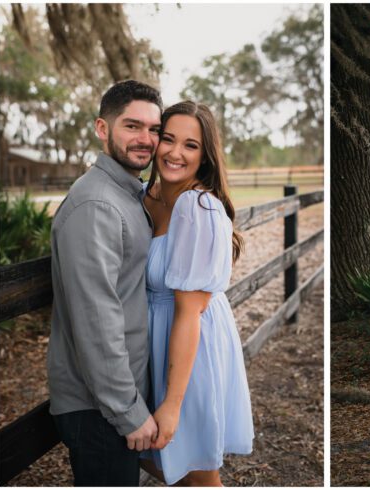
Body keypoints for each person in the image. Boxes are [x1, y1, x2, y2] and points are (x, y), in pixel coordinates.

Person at [48, 80, 163, 486]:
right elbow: (97, 320)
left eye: (154, 129)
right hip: (100, 411)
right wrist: (128, 412)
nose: (145, 140)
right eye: (132, 126)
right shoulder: (97, 205)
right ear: (102, 128)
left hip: (114, 403)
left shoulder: (127, 194)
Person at [138, 101, 254, 486]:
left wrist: (172, 404)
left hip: (191, 345)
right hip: (157, 339)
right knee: (162, 463)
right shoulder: (146, 195)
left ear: (204, 156)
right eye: (168, 139)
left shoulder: (198, 206)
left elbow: (189, 313)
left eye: (190, 145)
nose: (174, 152)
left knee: (196, 477)